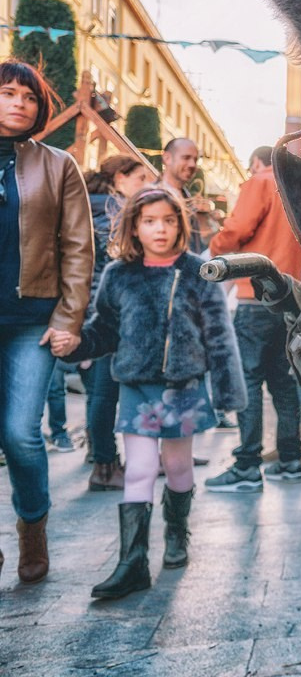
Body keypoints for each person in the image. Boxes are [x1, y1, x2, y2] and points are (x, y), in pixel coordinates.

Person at [59, 188, 245, 598]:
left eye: (168, 220)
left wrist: (229, 392)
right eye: (149, 221)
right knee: (140, 468)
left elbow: (219, 337)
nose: (159, 229)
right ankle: (132, 562)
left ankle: (177, 534)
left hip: (182, 389)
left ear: (180, 223)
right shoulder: (119, 275)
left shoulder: (200, 272)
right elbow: (104, 329)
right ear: (134, 227)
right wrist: (77, 344)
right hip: (137, 388)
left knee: (177, 468)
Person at [0, 59, 93, 584]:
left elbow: (79, 248)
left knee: (20, 435)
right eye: (8, 93)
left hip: (30, 323)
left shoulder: (57, 165)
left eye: (29, 97)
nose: (19, 103)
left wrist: (69, 318)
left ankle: (32, 525)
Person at [205, 146, 301, 492]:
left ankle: (247, 464)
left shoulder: (261, 182)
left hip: (256, 294)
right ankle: (290, 459)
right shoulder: (299, 185)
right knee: (283, 377)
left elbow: (236, 230)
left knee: (247, 377)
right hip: (293, 296)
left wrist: (215, 248)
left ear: (256, 163)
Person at [80, 155, 150, 490]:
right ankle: (106, 467)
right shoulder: (112, 212)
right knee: (106, 393)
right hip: (108, 312)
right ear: (120, 179)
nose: (146, 187)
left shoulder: (86, 205)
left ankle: (102, 459)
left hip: (88, 310)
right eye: (141, 179)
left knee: (98, 392)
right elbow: (119, 262)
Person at [156, 137, 205, 253]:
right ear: (167, 158)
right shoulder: (150, 198)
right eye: (186, 158)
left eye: (195, 159)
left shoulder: (188, 199)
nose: (192, 164)